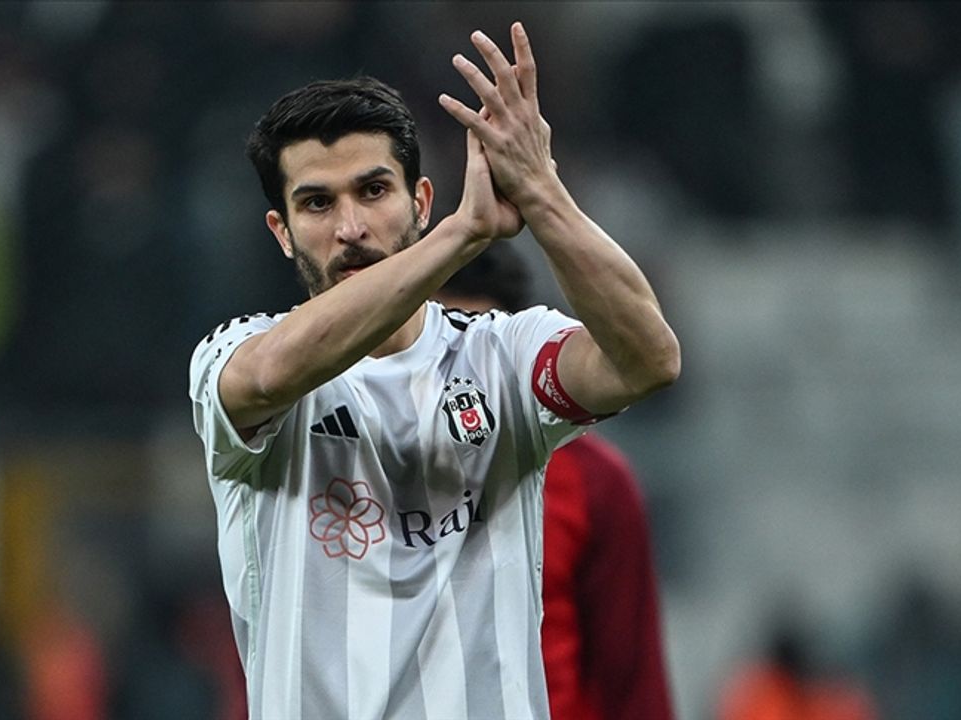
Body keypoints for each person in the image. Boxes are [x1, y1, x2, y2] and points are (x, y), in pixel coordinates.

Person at [189, 23, 679, 718]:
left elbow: (649, 359)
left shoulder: (501, 354)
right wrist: (462, 232)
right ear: (282, 232)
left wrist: (541, 192)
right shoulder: (237, 353)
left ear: (419, 201)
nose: (350, 227)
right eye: (317, 203)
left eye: (373, 190)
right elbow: (267, 378)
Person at [433, 243, 676, 719]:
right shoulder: (356, 466)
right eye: (442, 353)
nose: (460, 378)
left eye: (476, 354)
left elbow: (630, 678)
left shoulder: (595, 481)